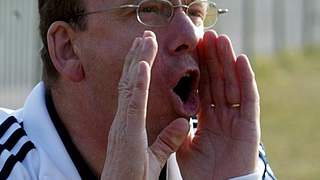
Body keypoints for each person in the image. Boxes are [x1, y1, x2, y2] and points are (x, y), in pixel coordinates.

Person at [0, 0, 276, 179]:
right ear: (68, 49)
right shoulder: (9, 162)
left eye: (195, 12)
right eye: (149, 10)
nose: (190, 36)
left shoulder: (222, 143)